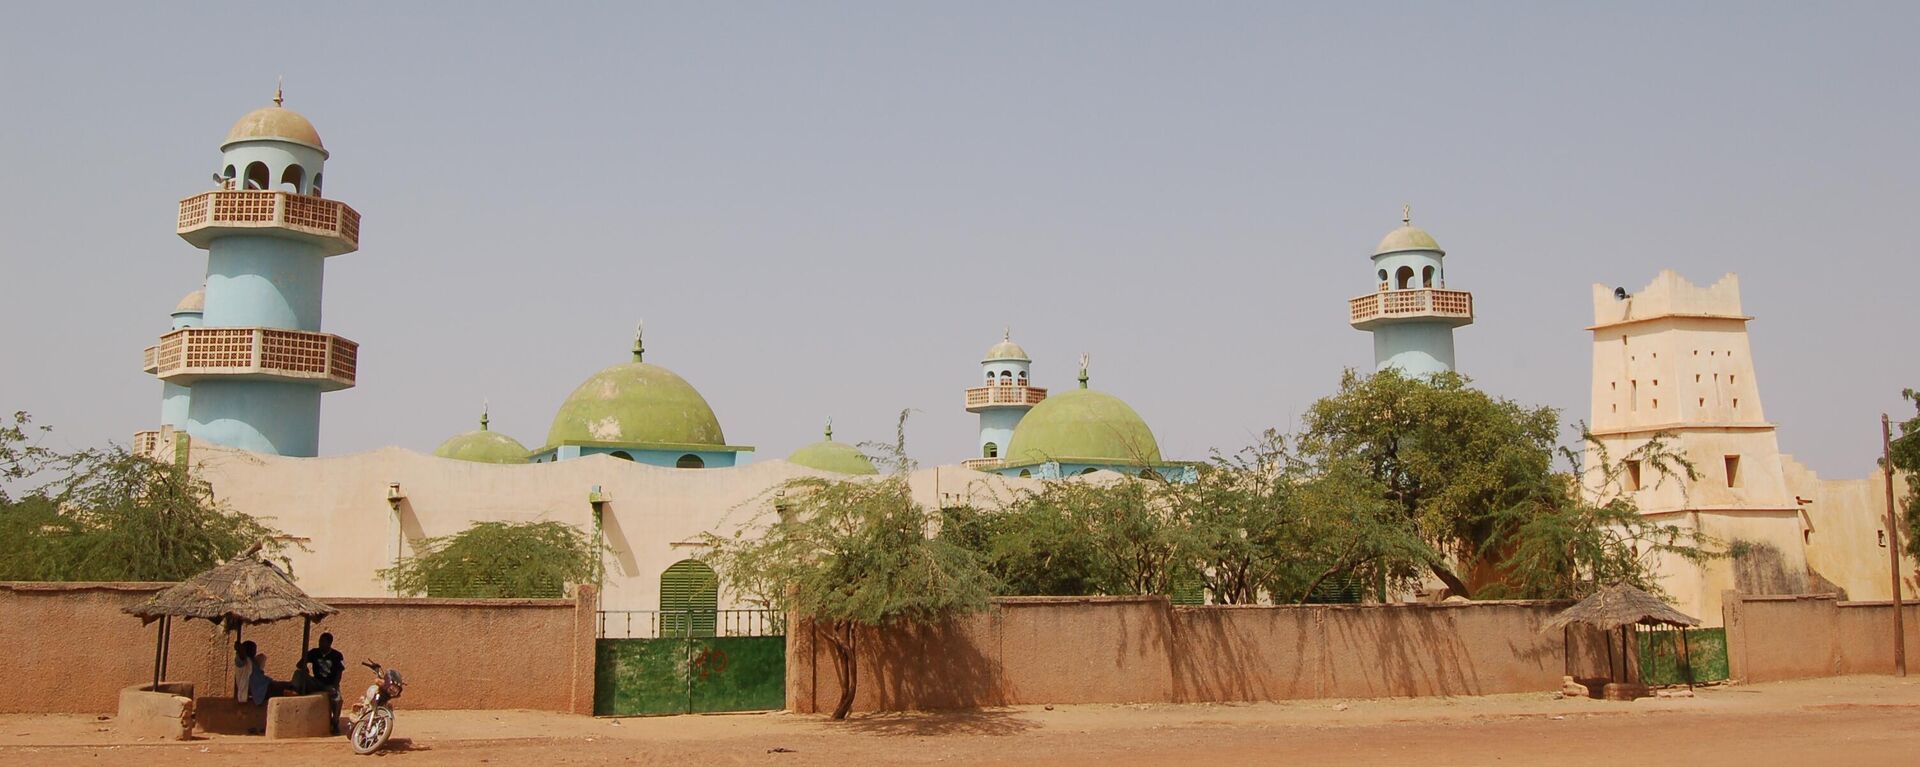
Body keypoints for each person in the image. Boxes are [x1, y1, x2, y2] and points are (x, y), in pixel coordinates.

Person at [300, 632, 347, 735]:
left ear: (329, 643)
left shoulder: (337, 655)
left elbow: (339, 672)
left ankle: (335, 722)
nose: (320, 643)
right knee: (298, 674)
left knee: (338, 700)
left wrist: (335, 686)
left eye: (323, 642)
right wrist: (305, 668)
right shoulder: (314, 652)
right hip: (316, 682)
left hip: (330, 684)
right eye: (320, 641)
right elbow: (300, 664)